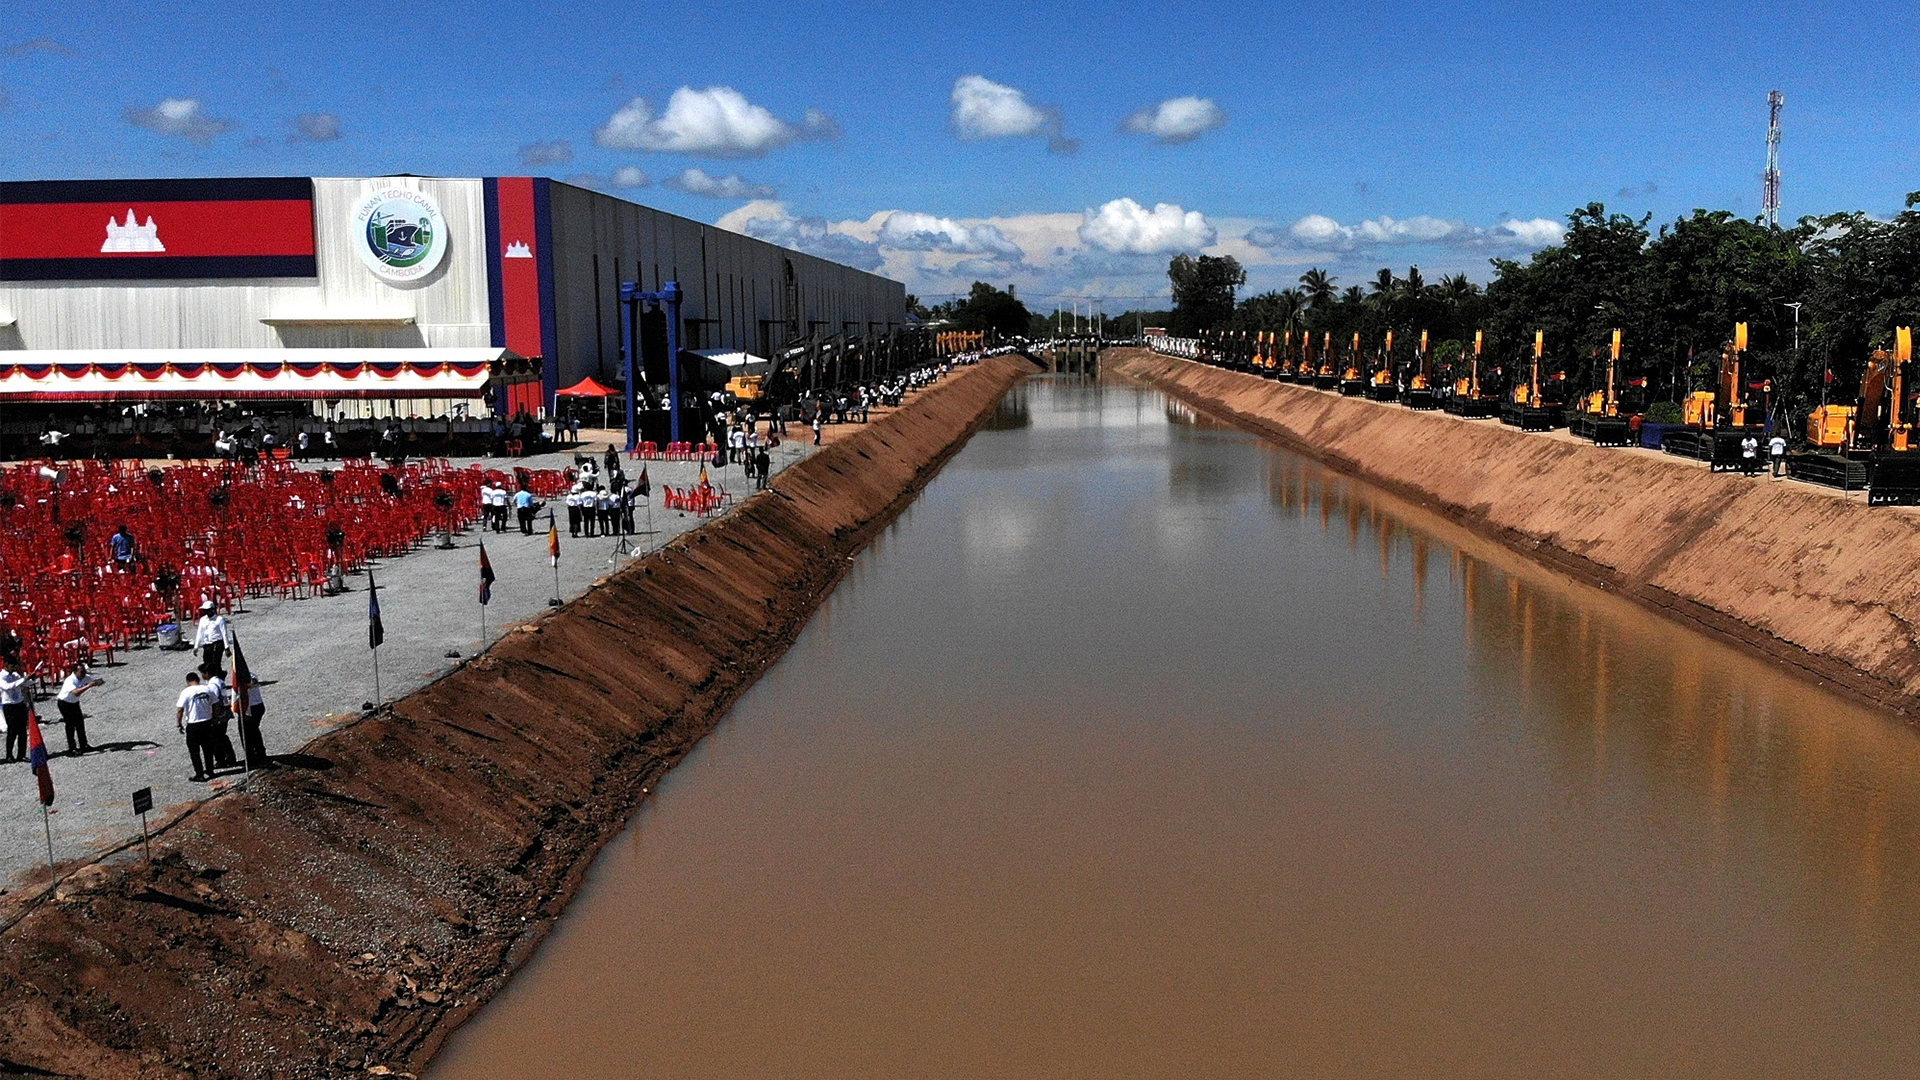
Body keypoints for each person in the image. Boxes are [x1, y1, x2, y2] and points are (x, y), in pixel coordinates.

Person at [175, 671, 219, 782]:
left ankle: (199, 773)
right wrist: (215, 717)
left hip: (193, 725)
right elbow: (216, 703)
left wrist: (179, 723)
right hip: (207, 722)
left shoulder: (186, 692)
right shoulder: (207, 689)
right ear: (198, 680)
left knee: (194, 751)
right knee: (208, 749)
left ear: (188, 682)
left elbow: (180, 709)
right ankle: (210, 770)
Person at [56, 662, 102, 754]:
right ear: (75, 672)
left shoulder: (85, 677)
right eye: (81, 672)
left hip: (74, 703)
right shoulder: (70, 680)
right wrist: (88, 686)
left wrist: (96, 682)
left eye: (84, 671)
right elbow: (76, 692)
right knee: (70, 725)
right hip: (64, 703)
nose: (83, 673)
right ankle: (72, 748)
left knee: (80, 723)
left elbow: (100, 681)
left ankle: (83, 745)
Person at [236, 667, 270, 771]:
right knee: (254, 730)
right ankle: (260, 753)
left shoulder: (247, 677)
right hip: (257, 706)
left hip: (251, 708)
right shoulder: (251, 674)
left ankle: (252, 757)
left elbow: (251, 684)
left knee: (246, 734)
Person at [0, 657, 28, 763]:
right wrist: (23, 679)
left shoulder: (15, 675)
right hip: (9, 706)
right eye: (12, 665)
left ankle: (21, 754)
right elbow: (7, 687)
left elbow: (23, 684)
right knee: (12, 731)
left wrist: (31, 679)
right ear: (6, 664)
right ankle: (9, 755)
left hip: (19, 704)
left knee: (22, 731)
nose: (14, 668)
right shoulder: (1, 676)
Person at [193, 600, 232, 673]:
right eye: (205, 610)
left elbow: (224, 634)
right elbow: (200, 632)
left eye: (208, 610)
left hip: (217, 643)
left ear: (212, 610)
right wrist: (196, 646)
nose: (206, 612)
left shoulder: (219, 620)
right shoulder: (203, 620)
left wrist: (227, 647)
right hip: (207, 644)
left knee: (216, 663)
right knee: (207, 662)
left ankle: (218, 678)